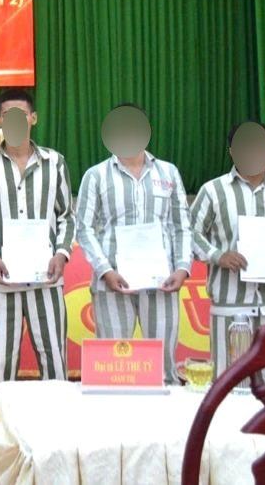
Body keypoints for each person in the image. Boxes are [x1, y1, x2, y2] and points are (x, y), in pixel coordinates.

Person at [0, 89, 75, 386]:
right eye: (8, 116)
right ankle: (2, 432)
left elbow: (67, 215)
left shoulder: (55, 162)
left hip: (47, 280)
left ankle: (56, 432)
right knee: (3, 366)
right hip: (2, 281)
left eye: (21, 115)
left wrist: (61, 253)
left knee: (54, 361)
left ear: (33, 119)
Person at [76, 104, 191, 384]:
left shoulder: (168, 173)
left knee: (164, 366)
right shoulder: (96, 175)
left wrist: (183, 267)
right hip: (113, 282)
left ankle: (166, 425)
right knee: (114, 365)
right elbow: (84, 227)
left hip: (162, 282)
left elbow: (181, 225)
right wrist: (105, 270)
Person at [189, 120, 265, 387]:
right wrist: (218, 255)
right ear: (232, 151)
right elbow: (189, 233)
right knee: (230, 385)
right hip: (231, 307)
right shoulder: (213, 191)